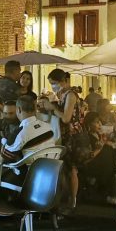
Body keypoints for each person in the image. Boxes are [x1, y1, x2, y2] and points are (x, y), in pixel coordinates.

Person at [40, 69, 82, 207]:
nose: (53, 87)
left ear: (63, 81)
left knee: (71, 169)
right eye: (51, 84)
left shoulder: (70, 95)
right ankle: (65, 198)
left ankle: (72, 200)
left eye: (55, 83)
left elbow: (66, 118)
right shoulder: (61, 94)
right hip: (62, 134)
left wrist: (52, 107)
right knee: (64, 168)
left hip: (72, 135)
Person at [69, 112, 116, 204]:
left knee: (109, 152)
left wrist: (105, 142)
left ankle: (108, 189)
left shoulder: (98, 135)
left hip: (101, 163)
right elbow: (87, 156)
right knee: (107, 153)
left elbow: (106, 144)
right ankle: (106, 190)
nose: (99, 124)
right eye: (96, 122)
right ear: (89, 124)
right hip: (90, 164)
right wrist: (100, 147)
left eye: (100, 122)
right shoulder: (85, 137)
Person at [0, 95, 55, 162]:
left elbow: (3, 159)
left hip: (31, 170)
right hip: (52, 168)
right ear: (35, 108)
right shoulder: (48, 126)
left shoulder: (20, 133)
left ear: (19, 109)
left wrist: (4, 145)